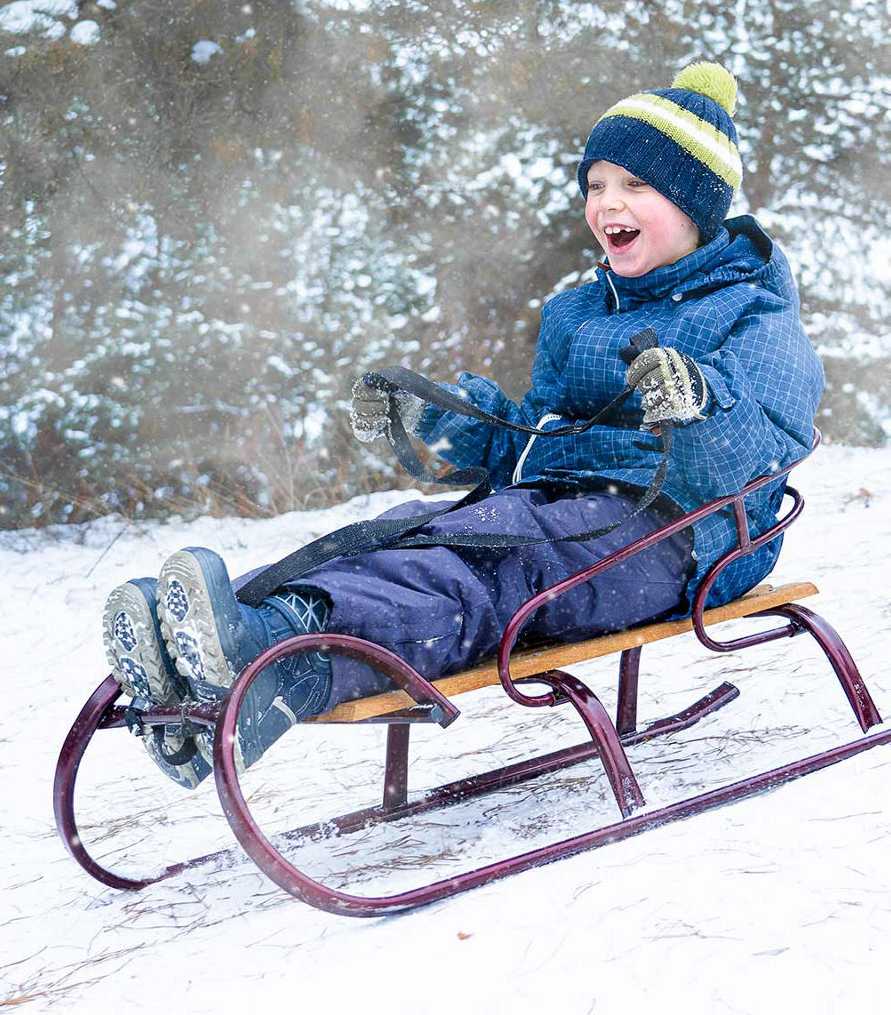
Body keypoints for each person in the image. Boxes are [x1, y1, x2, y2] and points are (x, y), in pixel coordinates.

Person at [102, 60, 823, 789]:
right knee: (411, 530)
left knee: (485, 569)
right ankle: (205, 641)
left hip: (683, 539)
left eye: (636, 185)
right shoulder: (578, 312)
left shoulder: (754, 311)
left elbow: (756, 454)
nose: (609, 203)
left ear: (696, 204)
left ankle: (274, 654)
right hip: (566, 511)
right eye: (596, 184)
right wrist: (434, 419)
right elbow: (537, 442)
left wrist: (695, 401)